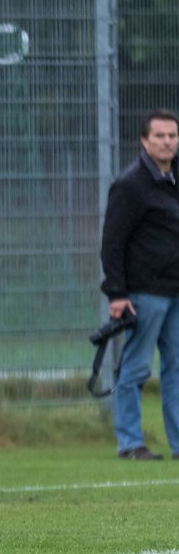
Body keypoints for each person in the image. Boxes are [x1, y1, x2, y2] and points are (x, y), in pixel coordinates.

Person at [100, 109, 179, 460]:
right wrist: (116, 293)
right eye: (160, 136)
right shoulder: (130, 185)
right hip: (144, 293)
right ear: (144, 141)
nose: (167, 142)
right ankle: (130, 443)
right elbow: (112, 243)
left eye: (172, 136)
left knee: (176, 367)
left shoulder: (175, 179)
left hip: (175, 291)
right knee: (135, 368)